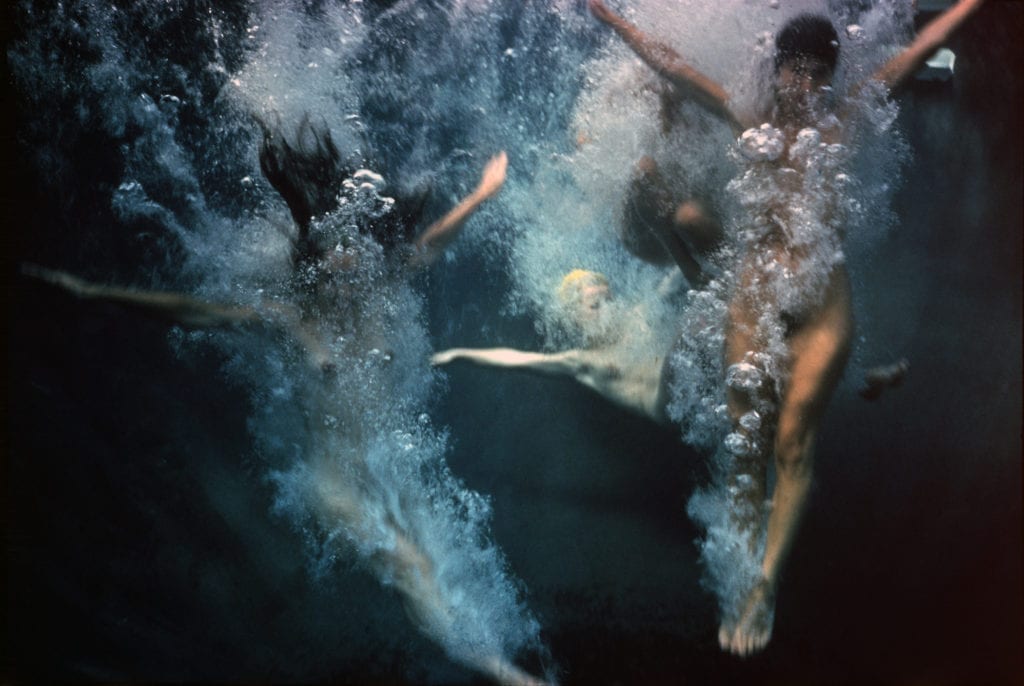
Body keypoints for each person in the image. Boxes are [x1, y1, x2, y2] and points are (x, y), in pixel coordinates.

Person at [24, 117, 549, 686]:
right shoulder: (292, 322)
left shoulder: (380, 289)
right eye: (332, 256)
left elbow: (428, 246)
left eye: (352, 252)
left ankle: (476, 658)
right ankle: (500, 673)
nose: (346, 266)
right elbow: (193, 310)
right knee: (413, 566)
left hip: (385, 470)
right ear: (312, 267)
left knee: (446, 563)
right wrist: (93, 291)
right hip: (337, 486)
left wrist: (480, 194)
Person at [582, 0, 987, 658]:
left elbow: (915, 52)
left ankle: (767, 582)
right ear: (775, 72)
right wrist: (616, 22)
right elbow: (674, 65)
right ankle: (742, 582)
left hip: (823, 306)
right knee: (747, 452)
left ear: (827, 76)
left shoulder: (847, 119)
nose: (801, 86)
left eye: (813, 74)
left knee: (793, 445)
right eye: (791, 72)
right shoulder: (747, 118)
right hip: (754, 300)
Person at [433, 268, 685, 424]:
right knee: (689, 333)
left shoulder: (638, 315)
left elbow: (674, 279)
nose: (606, 309)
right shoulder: (581, 361)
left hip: (687, 386)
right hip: (663, 404)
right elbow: (515, 359)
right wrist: (458, 354)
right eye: (595, 306)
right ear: (573, 318)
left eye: (608, 300)